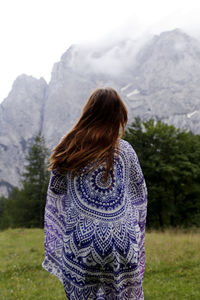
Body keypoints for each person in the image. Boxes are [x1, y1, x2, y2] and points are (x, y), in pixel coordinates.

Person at [42, 87, 147, 300]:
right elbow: (139, 197)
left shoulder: (70, 147)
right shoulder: (125, 151)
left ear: (88, 112)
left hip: (82, 245)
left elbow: (56, 195)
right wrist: (133, 236)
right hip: (122, 245)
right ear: (119, 115)